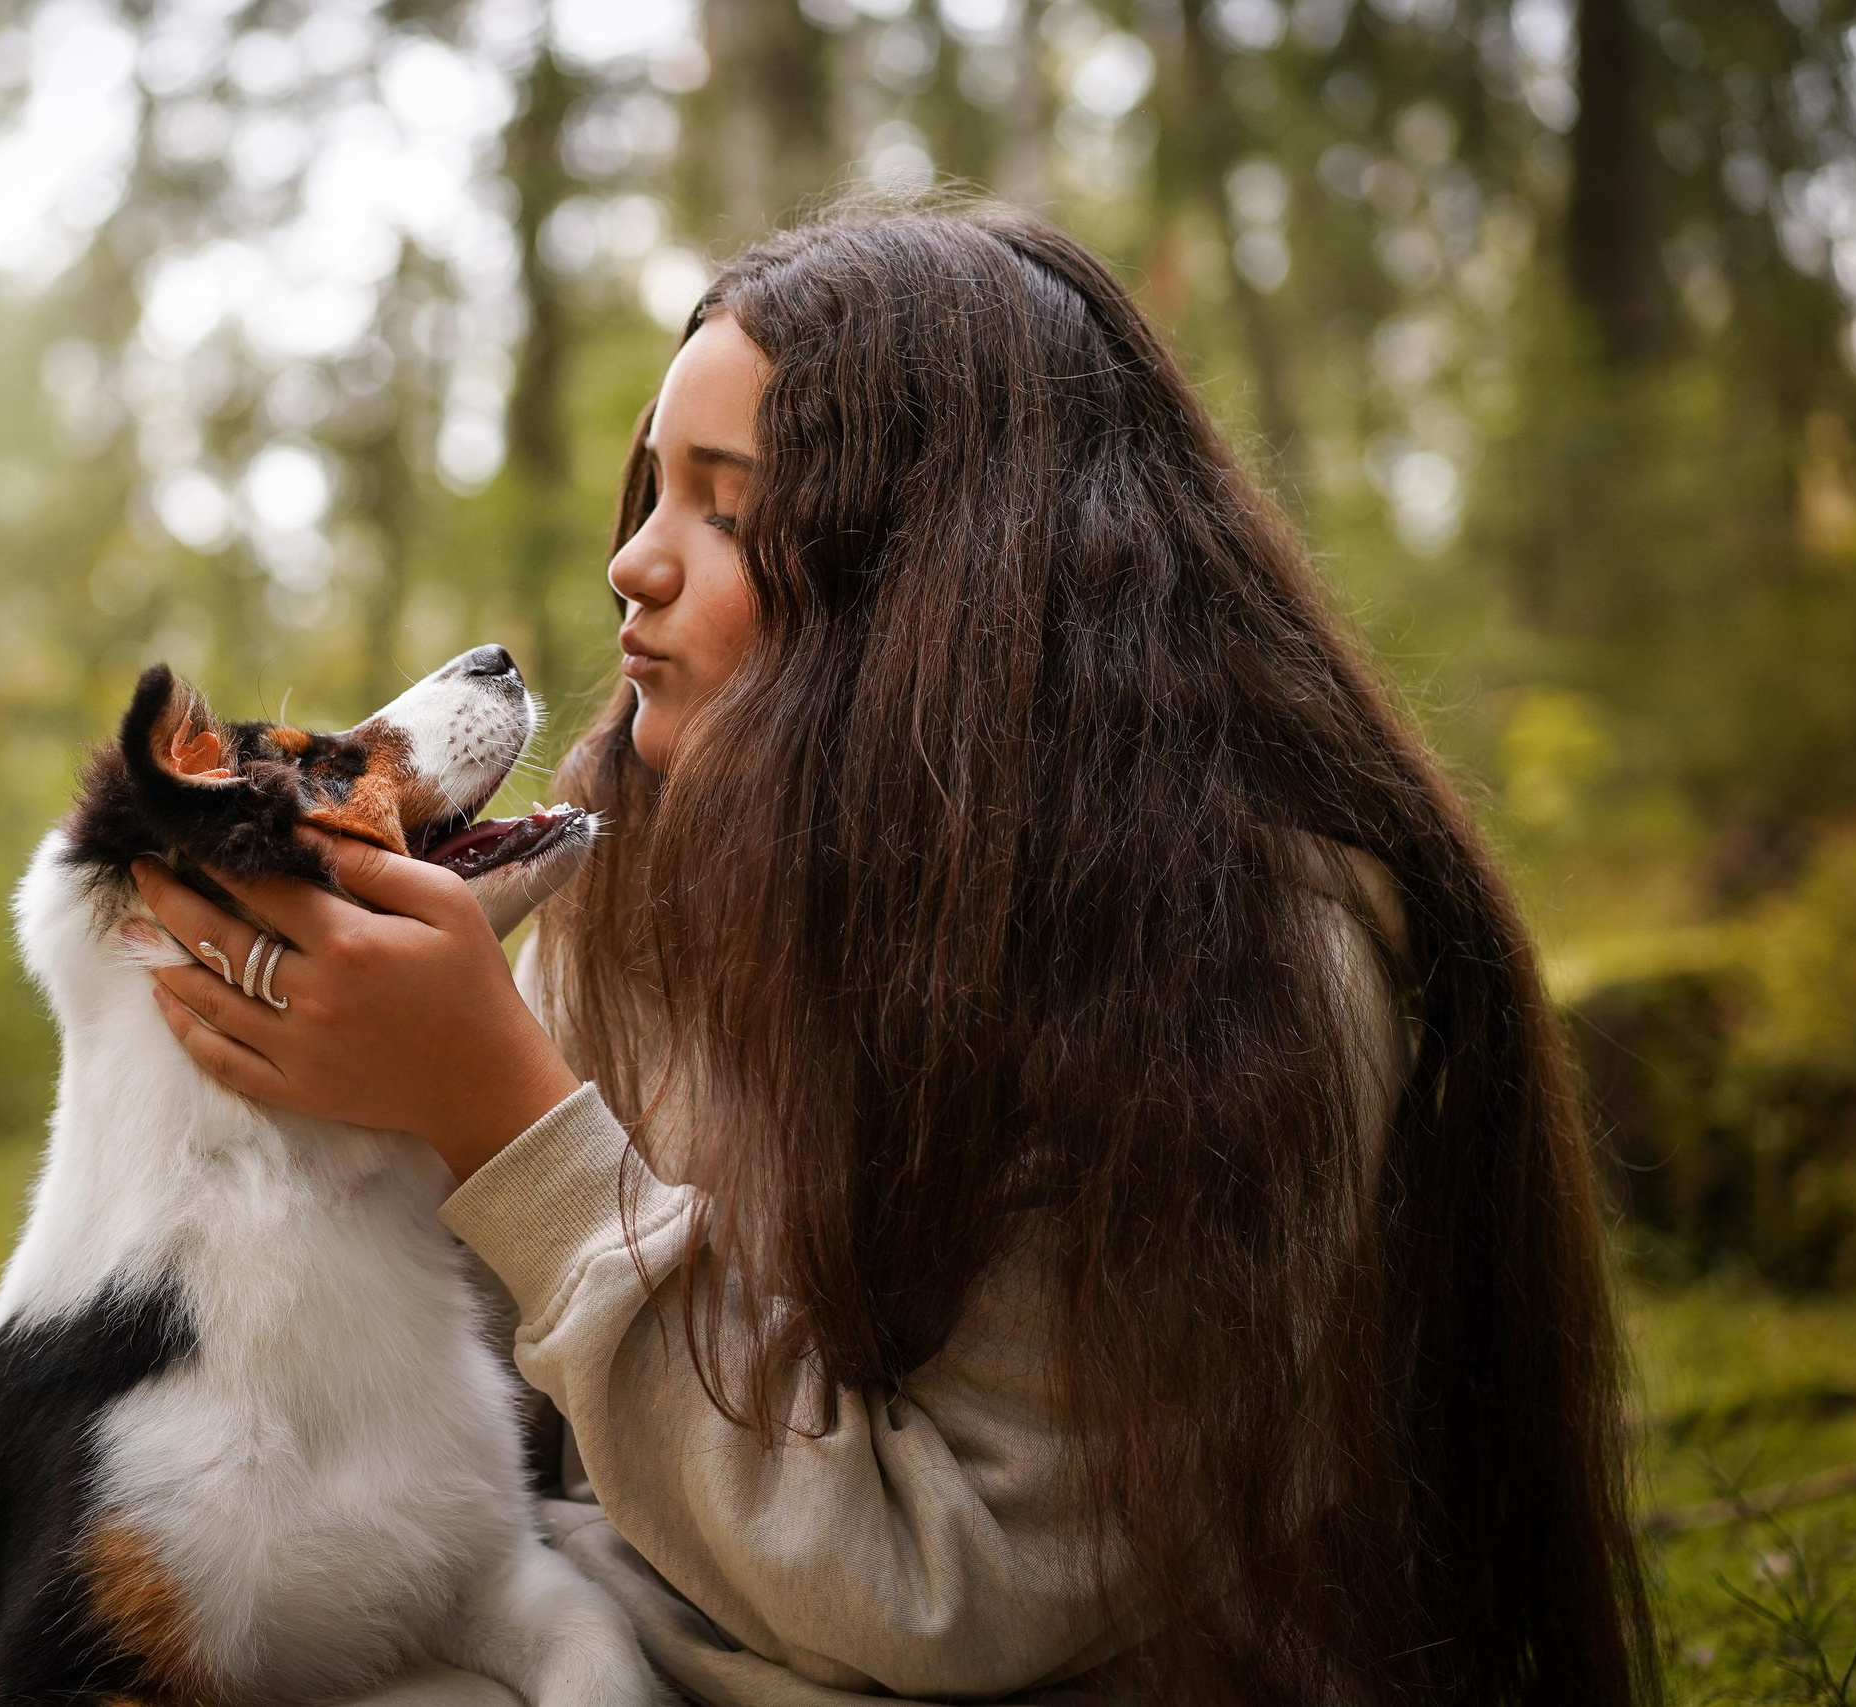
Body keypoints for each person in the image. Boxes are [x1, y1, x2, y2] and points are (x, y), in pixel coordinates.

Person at [129, 204, 1658, 1707]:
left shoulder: (1238, 953)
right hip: (639, 1630)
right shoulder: (639, 865)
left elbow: (957, 1596)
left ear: (942, 585)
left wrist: (508, 1126)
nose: (635, 568)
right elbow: (449, 1433)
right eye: (652, 490)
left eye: (728, 511)